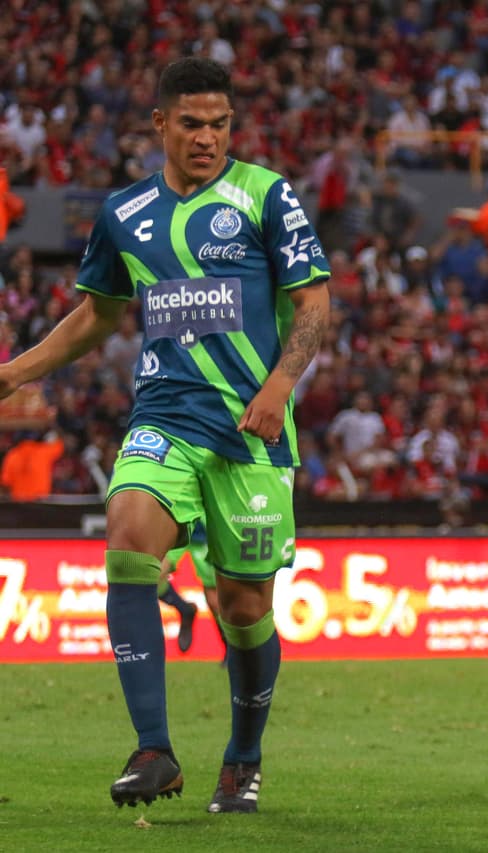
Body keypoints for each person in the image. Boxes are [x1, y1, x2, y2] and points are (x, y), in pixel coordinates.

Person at [0, 57, 330, 814]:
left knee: (244, 609)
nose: (208, 137)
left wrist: (281, 386)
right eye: (191, 123)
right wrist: (18, 371)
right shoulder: (124, 212)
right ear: (161, 126)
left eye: (219, 124)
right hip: (164, 418)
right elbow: (97, 314)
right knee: (127, 533)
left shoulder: (263, 195)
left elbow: (313, 303)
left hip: (250, 431)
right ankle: (154, 749)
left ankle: (242, 757)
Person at [158, 518, 228, 664]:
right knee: (153, 577)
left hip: (204, 532)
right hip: (178, 524)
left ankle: (231, 648)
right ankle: (185, 609)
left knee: (215, 599)